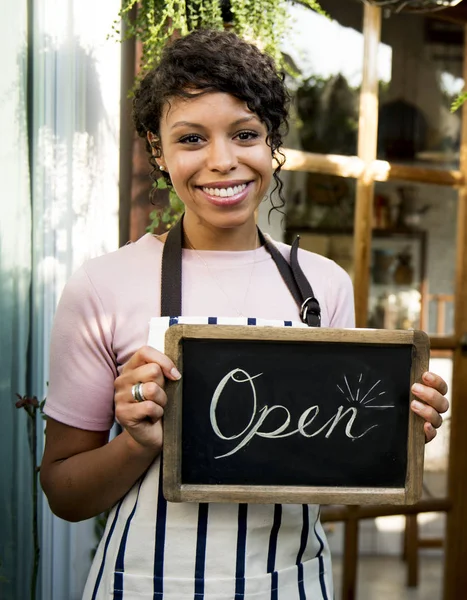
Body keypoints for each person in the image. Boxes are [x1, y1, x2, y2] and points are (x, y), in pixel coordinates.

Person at [40, 29, 449, 600]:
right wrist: (136, 442)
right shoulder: (102, 285)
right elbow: (64, 493)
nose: (222, 161)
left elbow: (327, 480)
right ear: (158, 151)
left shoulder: (324, 285)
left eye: (245, 134)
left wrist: (391, 436)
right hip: (146, 583)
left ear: (271, 142)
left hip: (293, 583)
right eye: (190, 138)